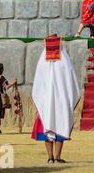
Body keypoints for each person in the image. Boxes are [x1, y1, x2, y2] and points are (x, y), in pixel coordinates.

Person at [31, 35, 81, 164]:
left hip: (46, 102)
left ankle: (50, 157)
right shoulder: (65, 60)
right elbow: (71, 82)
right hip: (61, 101)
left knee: (47, 125)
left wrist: (42, 99)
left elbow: (38, 83)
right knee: (61, 125)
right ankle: (57, 157)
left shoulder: (42, 61)